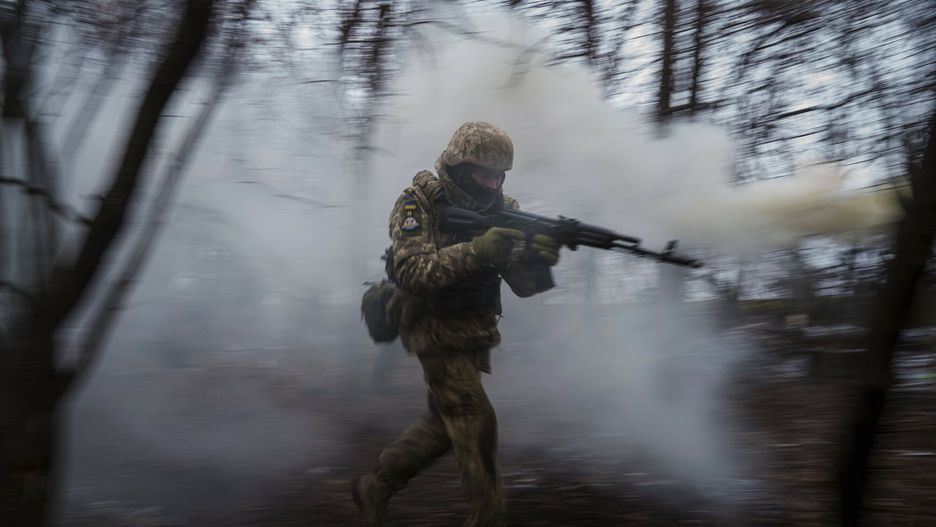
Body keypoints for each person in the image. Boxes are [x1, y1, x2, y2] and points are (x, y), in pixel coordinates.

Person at [352, 121, 560, 526]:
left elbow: (523, 285)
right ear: (460, 169)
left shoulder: (505, 210)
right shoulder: (419, 204)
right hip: (429, 325)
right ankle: (489, 515)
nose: (493, 183)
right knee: (473, 417)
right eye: (485, 174)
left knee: (444, 424)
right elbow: (412, 272)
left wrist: (537, 258)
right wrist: (478, 251)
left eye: (499, 175)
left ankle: (376, 485)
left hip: (473, 330)